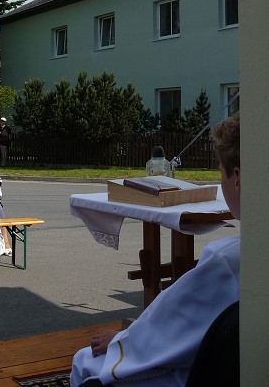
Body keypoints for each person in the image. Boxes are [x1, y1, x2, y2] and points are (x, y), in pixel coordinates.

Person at [70, 113, 241, 387]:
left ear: (237, 178)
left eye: (220, 171)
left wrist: (122, 340)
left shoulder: (229, 260)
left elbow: (171, 332)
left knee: (84, 363)